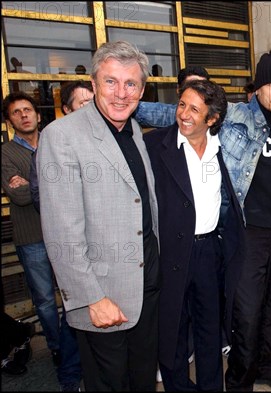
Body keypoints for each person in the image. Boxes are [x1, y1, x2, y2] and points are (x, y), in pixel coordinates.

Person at [37, 40, 160, 391]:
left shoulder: (133, 129)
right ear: (93, 84)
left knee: (142, 381)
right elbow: (62, 232)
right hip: (104, 296)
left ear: (142, 89)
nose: (121, 93)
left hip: (147, 289)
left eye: (131, 84)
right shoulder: (61, 136)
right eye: (111, 82)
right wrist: (92, 297)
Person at [144, 79, 239, 391]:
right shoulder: (155, 145)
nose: (183, 113)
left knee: (210, 329)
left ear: (211, 119)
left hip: (209, 250)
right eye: (181, 104)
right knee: (172, 330)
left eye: (194, 109)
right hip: (169, 251)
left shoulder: (224, 149)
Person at [221, 49, 271, 392]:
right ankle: (239, 380)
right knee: (247, 315)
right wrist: (127, 107)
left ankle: (269, 368)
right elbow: (182, 114)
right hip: (248, 234)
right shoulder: (237, 115)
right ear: (258, 87)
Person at [1, 92, 82, 392]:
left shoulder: (55, 141)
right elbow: (20, 195)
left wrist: (32, 182)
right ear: (9, 120)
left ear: (37, 114)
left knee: (73, 293)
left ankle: (75, 348)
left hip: (63, 232)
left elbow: (70, 184)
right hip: (32, 237)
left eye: (28, 110)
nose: (24, 115)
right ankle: (58, 348)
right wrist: (50, 183)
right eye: (16, 112)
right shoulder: (6, 153)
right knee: (46, 301)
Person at [30, 81, 94, 211]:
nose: (92, 109)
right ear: (67, 109)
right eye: (84, 103)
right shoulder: (53, 143)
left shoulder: (108, 138)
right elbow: (41, 197)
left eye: (94, 103)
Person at [135, 65, 210, 128]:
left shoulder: (218, 118)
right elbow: (132, 107)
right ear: (178, 90)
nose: (196, 92)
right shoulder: (169, 114)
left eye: (202, 87)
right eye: (191, 87)